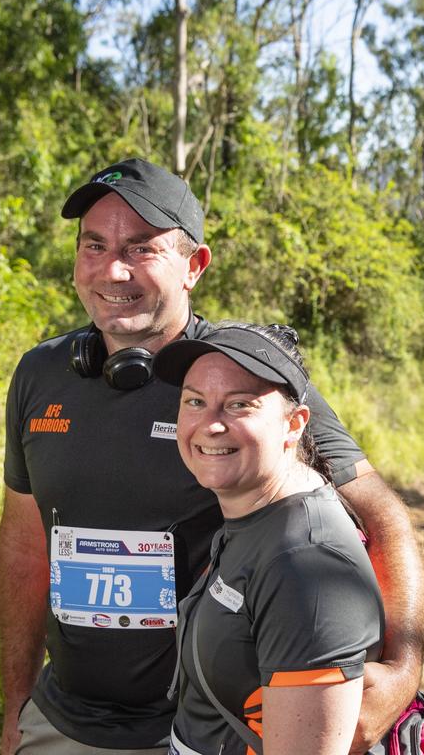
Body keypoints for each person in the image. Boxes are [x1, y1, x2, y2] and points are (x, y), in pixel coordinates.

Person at [0, 158, 424, 754]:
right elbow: (24, 544)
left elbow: (384, 519)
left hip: (209, 731)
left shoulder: (246, 379)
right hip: (63, 723)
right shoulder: (40, 374)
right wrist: (15, 701)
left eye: (142, 248)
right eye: (94, 244)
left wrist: (402, 673)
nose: (112, 268)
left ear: (194, 265)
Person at [153, 322, 384, 754]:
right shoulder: (254, 517)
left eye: (239, 405)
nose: (210, 425)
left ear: (294, 424)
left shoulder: (306, 562)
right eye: (195, 401)